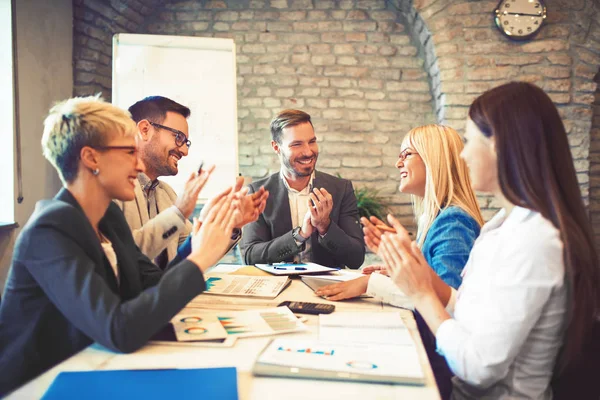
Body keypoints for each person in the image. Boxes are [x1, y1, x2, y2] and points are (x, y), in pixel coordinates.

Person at [0, 96, 250, 396]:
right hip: (40, 386)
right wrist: (199, 259)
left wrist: (210, 233)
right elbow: (119, 330)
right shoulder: (50, 229)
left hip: (94, 367)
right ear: (91, 158)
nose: (139, 162)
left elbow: (153, 285)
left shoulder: (109, 217)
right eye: (130, 151)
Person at [378, 82, 600, 399]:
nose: (464, 154)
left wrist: (422, 293)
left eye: (469, 141)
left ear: (499, 144)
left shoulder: (536, 240)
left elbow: (479, 367)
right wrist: (418, 273)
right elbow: (471, 314)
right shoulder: (503, 225)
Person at [316, 124, 484, 399]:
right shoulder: (440, 219)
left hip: (440, 371)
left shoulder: (453, 221)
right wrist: (398, 271)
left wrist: (371, 284)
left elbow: (445, 300)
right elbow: (433, 283)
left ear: (433, 158)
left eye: (406, 154)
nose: (398, 163)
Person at [117, 96, 268, 268]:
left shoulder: (166, 193)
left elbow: (196, 251)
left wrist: (228, 223)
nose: (184, 151)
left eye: (186, 142)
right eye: (178, 137)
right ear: (144, 130)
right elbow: (121, 260)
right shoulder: (112, 188)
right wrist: (179, 211)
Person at [240, 109, 365, 269]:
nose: (308, 151)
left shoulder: (341, 189)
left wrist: (325, 226)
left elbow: (356, 259)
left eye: (312, 141)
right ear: (276, 147)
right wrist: (299, 235)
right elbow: (251, 256)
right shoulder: (258, 192)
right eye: (297, 144)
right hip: (278, 289)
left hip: (326, 289)